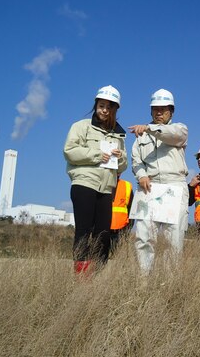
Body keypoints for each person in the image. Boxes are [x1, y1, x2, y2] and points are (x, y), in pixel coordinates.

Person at [63, 85, 127, 275]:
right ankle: (81, 277)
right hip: (84, 183)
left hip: (107, 188)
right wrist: (98, 155)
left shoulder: (119, 134)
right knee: (83, 231)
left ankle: (98, 276)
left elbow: (123, 166)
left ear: (115, 109)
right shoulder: (81, 126)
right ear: (95, 105)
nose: (104, 110)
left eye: (109, 107)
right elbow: (70, 152)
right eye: (101, 105)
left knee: (103, 234)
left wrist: (119, 157)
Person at [129, 89, 189, 274]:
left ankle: (170, 283)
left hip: (174, 185)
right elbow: (136, 161)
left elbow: (171, 135)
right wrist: (141, 175)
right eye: (155, 109)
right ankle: (143, 281)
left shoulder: (179, 129)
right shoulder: (141, 137)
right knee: (144, 236)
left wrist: (149, 128)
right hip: (149, 187)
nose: (159, 112)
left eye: (163, 109)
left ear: (171, 111)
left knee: (174, 238)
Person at [110, 175, 134, 253]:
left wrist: (128, 228)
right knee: (100, 258)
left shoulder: (126, 186)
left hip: (122, 230)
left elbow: (131, 209)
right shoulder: (99, 184)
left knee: (119, 256)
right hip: (102, 230)